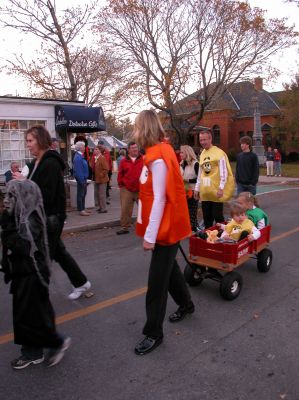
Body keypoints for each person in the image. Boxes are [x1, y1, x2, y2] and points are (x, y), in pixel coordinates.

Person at [133, 110, 194, 356]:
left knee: (156, 283)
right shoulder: (158, 152)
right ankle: (187, 304)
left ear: (142, 129)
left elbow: (160, 199)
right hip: (164, 227)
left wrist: (149, 236)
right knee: (170, 272)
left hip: (164, 229)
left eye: (137, 127)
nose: (135, 132)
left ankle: (153, 333)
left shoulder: (158, 157)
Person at [13, 125, 91, 300]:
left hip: (51, 218)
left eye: (30, 141)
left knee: (42, 255)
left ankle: (37, 296)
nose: (28, 145)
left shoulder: (49, 163)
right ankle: (81, 282)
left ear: (40, 140)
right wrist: (24, 181)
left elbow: (45, 195)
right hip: (44, 217)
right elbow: (36, 188)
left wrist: (24, 185)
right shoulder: (36, 162)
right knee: (58, 253)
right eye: (27, 141)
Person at [1, 179, 71, 369]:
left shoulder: (31, 218)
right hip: (24, 272)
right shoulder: (18, 215)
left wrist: (6, 231)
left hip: (33, 273)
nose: (7, 200)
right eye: (6, 195)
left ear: (24, 197)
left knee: (29, 313)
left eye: (11, 196)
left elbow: (23, 246)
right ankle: (37, 349)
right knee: (32, 313)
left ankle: (45, 347)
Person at [194, 130, 234, 229]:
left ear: (210, 139)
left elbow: (224, 172)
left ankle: (222, 237)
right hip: (205, 192)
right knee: (207, 217)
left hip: (216, 191)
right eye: (201, 140)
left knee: (218, 216)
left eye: (204, 139)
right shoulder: (202, 153)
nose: (202, 142)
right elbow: (201, 173)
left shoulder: (219, 153)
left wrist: (221, 188)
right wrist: (197, 188)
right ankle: (209, 237)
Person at [116, 141, 143, 235]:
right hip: (126, 189)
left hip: (141, 188)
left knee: (145, 208)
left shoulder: (143, 159)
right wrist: (121, 185)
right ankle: (124, 227)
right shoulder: (124, 161)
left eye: (136, 147)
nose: (135, 149)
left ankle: (144, 226)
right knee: (125, 209)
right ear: (128, 150)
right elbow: (120, 174)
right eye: (133, 148)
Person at [179, 145, 199, 231]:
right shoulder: (181, 163)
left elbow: (199, 178)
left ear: (187, 153)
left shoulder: (195, 164)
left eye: (182, 152)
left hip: (193, 191)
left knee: (192, 212)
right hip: (183, 192)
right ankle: (188, 228)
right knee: (185, 212)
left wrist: (188, 180)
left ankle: (193, 229)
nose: (180, 154)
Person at [73, 141, 91, 216]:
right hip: (81, 179)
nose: (84, 148)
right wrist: (82, 181)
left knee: (83, 194)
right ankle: (81, 210)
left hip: (83, 179)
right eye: (83, 147)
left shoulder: (80, 156)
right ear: (80, 148)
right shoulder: (78, 157)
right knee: (80, 194)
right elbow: (79, 171)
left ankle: (83, 208)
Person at [90, 145, 109, 213]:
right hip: (96, 179)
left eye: (96, 149)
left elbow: (106, 169)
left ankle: (104, 209)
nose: (94, 150)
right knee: (98, 194)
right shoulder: (96, 158)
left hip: (102, 180)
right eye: (94, 149)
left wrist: (101, 174)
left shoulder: (102, 158)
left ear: (100, 151)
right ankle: (100, 207)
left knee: (102, 195)